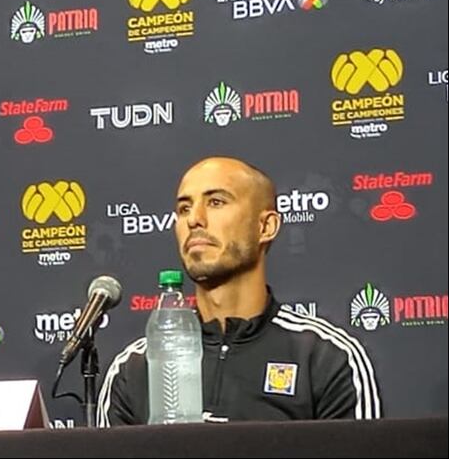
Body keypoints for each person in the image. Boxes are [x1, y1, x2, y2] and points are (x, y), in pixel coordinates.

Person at [98, 156, 381, 425]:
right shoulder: (135, 367)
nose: (194, 219)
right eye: (184, 208)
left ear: (266, 226)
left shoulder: (325, 357)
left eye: (216, 202)